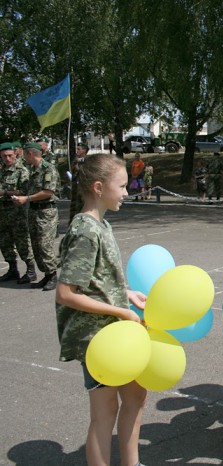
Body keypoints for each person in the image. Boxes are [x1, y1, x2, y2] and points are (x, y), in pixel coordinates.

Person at [54, 154, 148, 466]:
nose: (126, 192)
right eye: (121, 186)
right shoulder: (86, 231)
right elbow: (66, 293)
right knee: (104, 413)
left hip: (113, 332)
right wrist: (122, 312)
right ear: (98, 187)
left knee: (135, 396)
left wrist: (126, 293)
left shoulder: (101, 224)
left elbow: (97, 278)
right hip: (96, 338)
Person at [12, 142, 60, 291]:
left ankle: (53, 276)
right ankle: (46, 274)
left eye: (25, 154)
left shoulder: (48, 169)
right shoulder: (33, 170)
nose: (24, 158)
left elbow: (48, 192)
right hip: (33, 211)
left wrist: (27, 199)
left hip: (46, 212)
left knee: (45, 245)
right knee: (36, 245)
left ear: (30, 154)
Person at [0, 142, 37, 284]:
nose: (7, 159)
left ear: (15, 154)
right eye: (4, 156)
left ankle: (30, 271)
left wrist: (5, 192)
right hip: (2, 213)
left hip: (17, 213)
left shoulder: (22, 170)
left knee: (22, 242)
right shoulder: (1, 170)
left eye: (9, 155)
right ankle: (12, 270)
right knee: (5, 242)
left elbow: (25, 191)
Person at [69, 143, 88, 225]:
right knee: (74, 206)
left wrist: (80, 162)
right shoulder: (76, 160)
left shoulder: (87, 160)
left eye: (79, 149)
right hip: (75, 187)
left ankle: (82, 223)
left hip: (83, 188)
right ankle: (72, 223)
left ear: (84, 150)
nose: (77, 151)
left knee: (82, 206)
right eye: (77, 149)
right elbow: (73, 170)